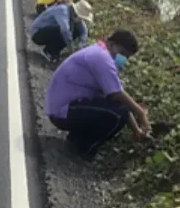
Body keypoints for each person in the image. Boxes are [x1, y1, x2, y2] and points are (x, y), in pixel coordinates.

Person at [44, 29, 150, 161]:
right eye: (122, 53)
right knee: (118, 114)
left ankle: (76, 140)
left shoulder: (100, 54)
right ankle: (85, 148)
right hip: (61, 111)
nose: (123, 59)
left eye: (126, 57)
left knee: (119, 109)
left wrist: (136, 130)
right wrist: (140, 113)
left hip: (63, 108)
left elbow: (117, 95)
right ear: (111, 44)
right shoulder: (102, 57)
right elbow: (117, 95)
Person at [29, 0, 93, 62]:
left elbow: (84, 31)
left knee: (76, 31)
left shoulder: (75, 16)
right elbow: (65, 30)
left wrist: (80, 45)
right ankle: (49, 52)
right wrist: (71, 50)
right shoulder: (63, 10)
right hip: (37, 33)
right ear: (76, 13)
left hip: (49, 32)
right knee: (65, 32)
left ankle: (52, 51)